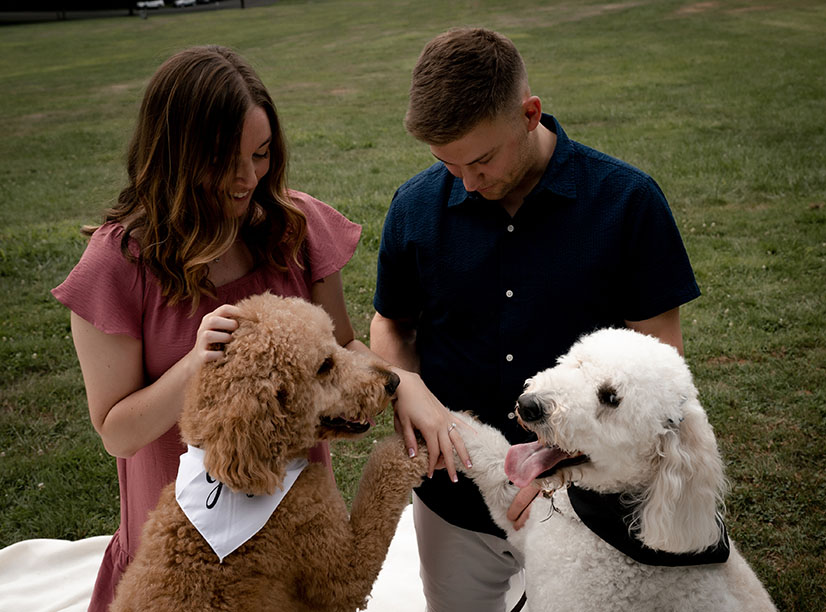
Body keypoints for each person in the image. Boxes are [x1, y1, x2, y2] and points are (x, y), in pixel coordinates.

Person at [52, 45, 441, 611]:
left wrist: (406, 386)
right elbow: (116, 430)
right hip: (184, 562)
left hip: (296, 536)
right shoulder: (118, 264)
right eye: (223, 161)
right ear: (174, 156)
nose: (246, 179)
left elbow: (343, 345)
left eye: (260, 155)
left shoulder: (292, 226)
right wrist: (195, 364)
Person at [370, 28, 701, 612]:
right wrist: (406, 386)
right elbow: (391, 325)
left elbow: (659, 371)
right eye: (447, 165)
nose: (467, 183)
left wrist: (572, 482)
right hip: (454, 497)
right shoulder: (413, 207)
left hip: (588, 508)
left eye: (480, 160)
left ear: (530, 114)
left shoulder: (628, 203)